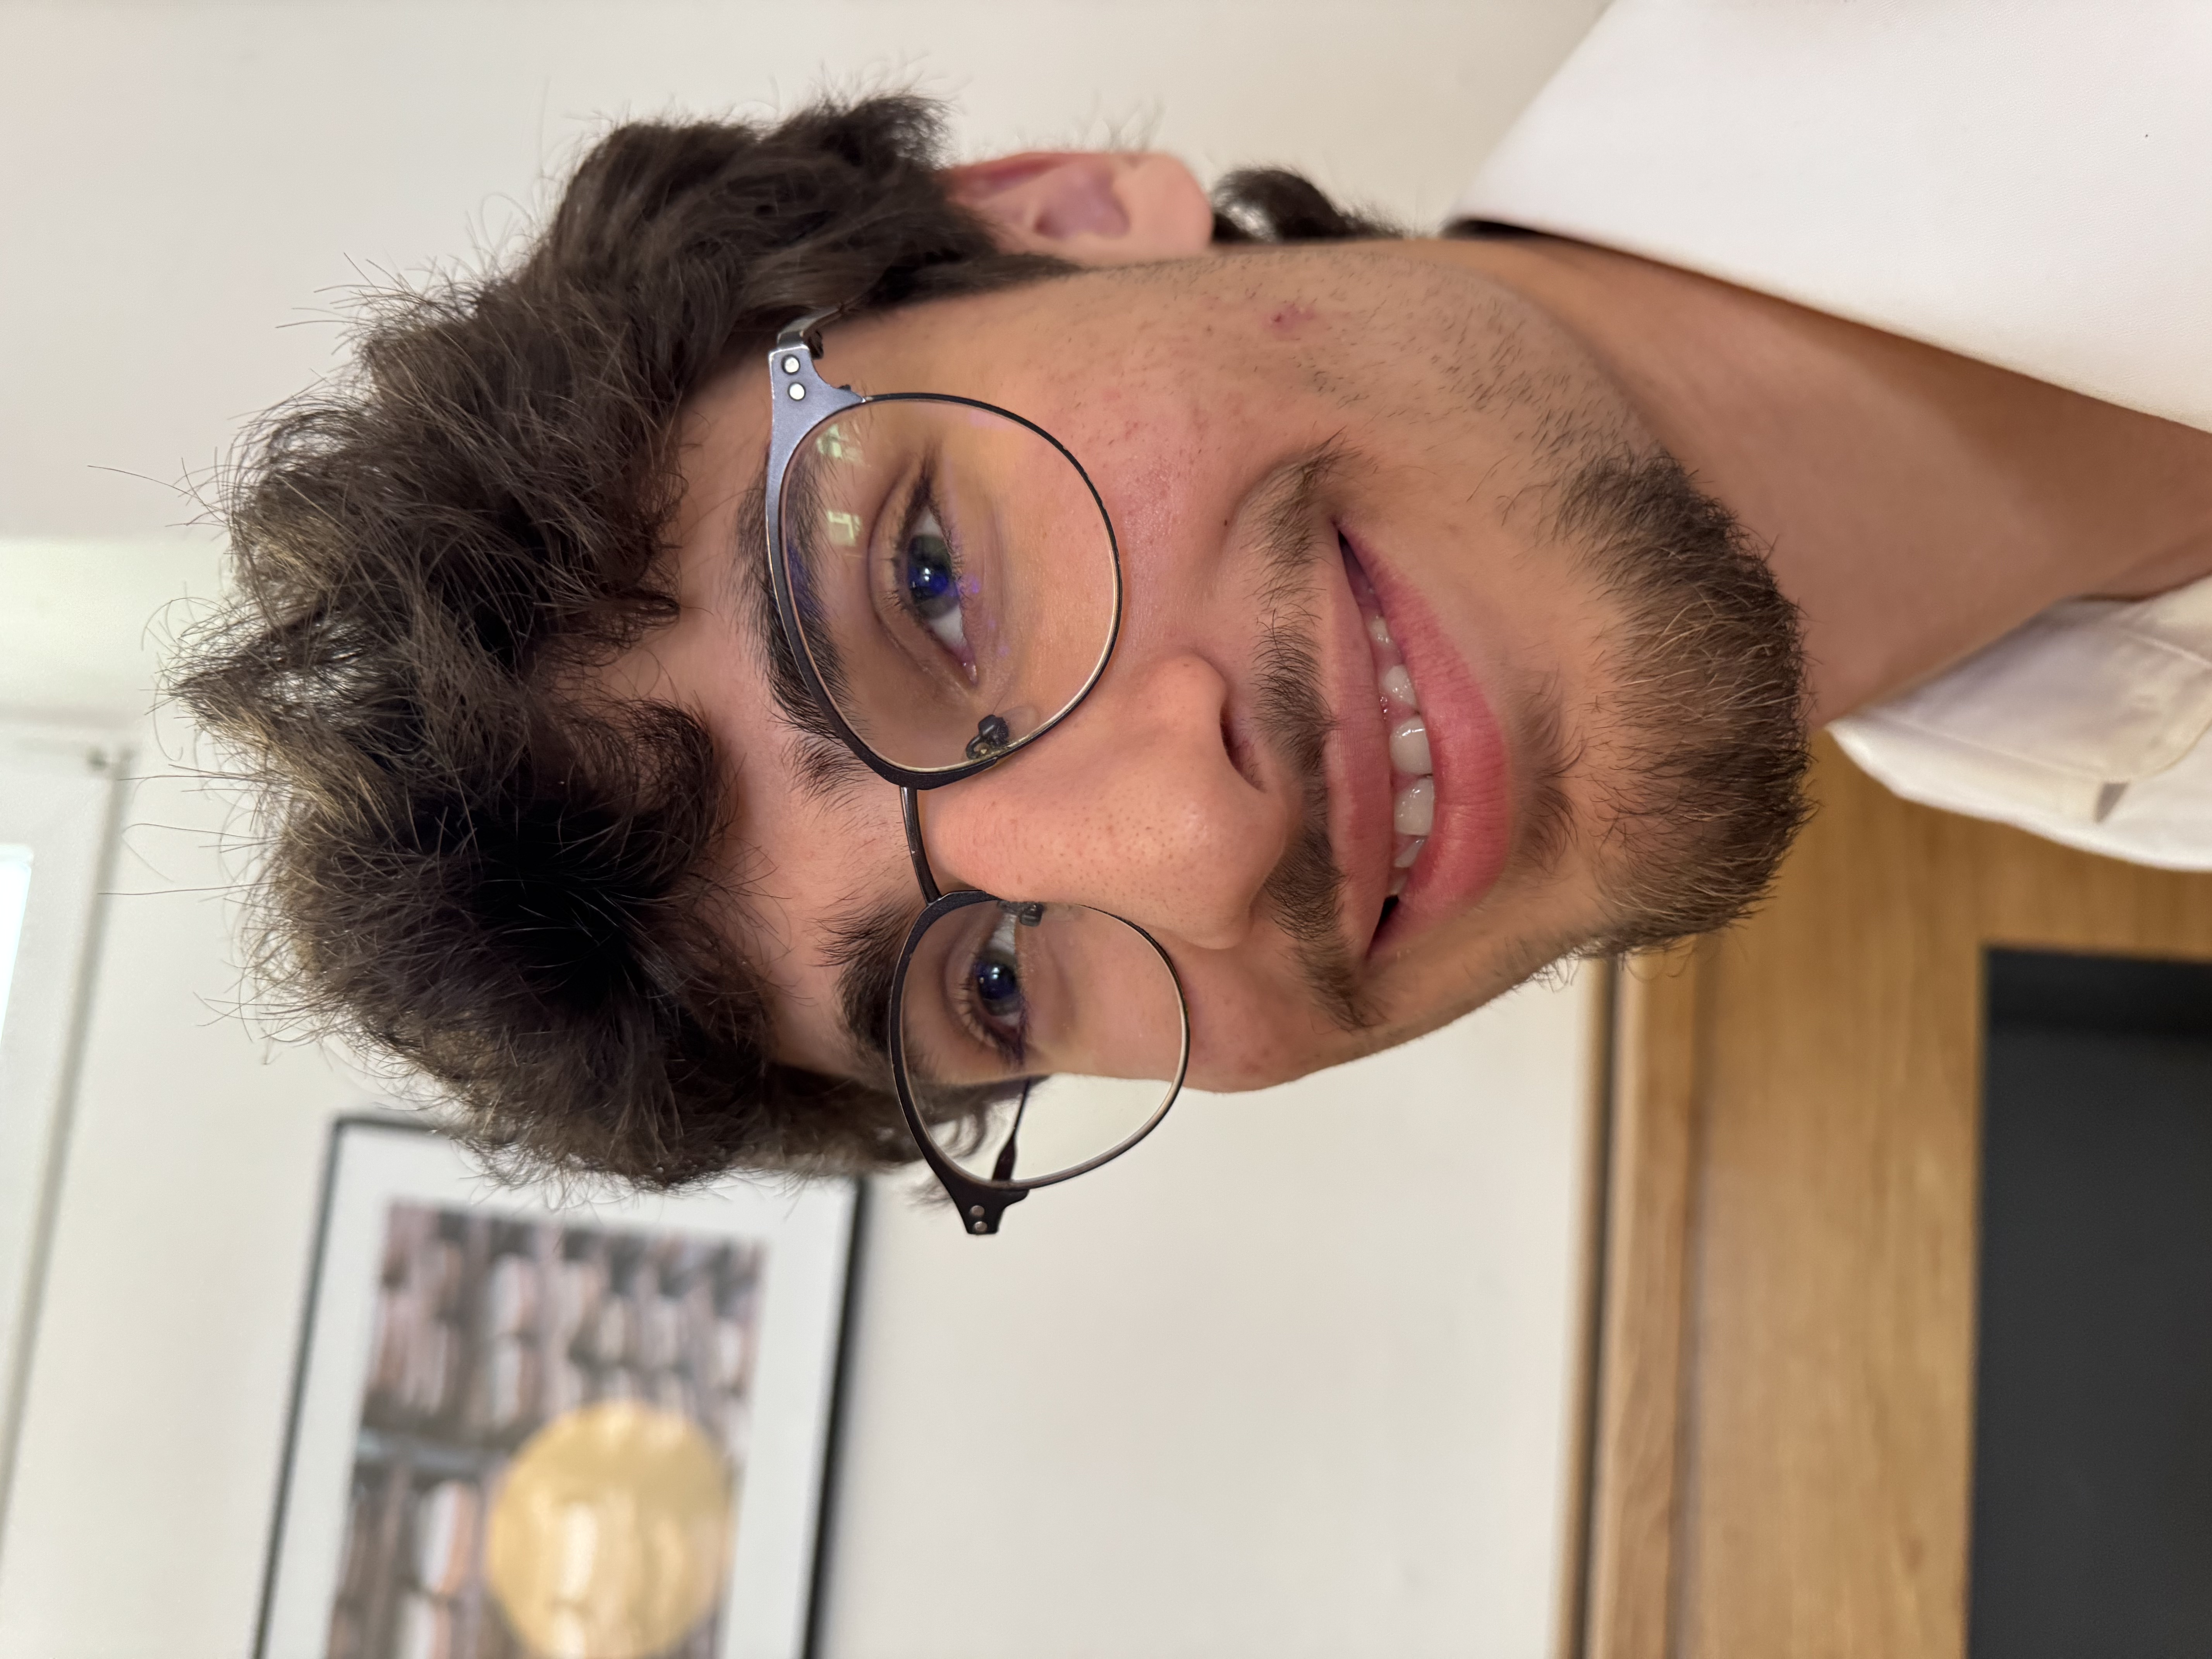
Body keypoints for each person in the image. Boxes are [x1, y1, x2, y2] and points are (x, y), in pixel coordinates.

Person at [176, 4, 2212, 1193]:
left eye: (939, 581)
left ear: (1061, 219)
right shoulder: (2087, 753)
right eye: (986, 989)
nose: (1196, 843)